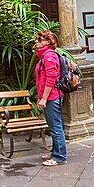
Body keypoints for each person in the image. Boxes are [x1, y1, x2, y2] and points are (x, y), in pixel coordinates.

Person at [34, 30, 66, 166]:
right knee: (54, 126)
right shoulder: (44, 56)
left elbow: (51, 79)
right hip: (49, 96)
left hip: (52, 97)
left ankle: (59, 157)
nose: (37, 42)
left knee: (56, 126)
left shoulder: (49, 57)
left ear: (47, 42)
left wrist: (44, 98)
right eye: (37, 40)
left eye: (40, 40)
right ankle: (55, 152)